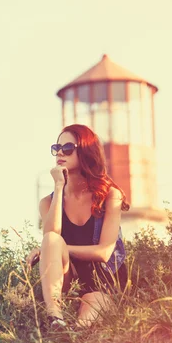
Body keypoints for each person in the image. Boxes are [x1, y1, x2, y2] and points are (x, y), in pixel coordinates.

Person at [26, 124, 130, 329]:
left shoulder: (109, 195)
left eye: (67, 148)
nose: (60, 154)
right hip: (69, 279)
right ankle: (55, 315)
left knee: (84, 324)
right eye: (57, 148)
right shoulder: (48, 203)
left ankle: (71, 337)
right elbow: (51, 238)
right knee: (51, 239)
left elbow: (104, 252)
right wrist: (58, 187)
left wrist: (62, 248)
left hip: (104, 280)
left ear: (85, 151)